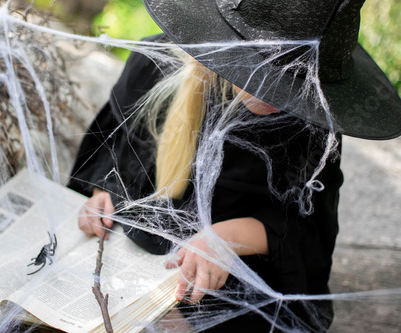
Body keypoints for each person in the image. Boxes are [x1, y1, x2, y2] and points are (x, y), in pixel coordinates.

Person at [68, 0, 401, 331]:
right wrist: (104, 193)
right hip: (130, 262)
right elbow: (115, 150)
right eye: (268, 73)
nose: (278, 96)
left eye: (296, 83)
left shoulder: (311, 118)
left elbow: (307, 230)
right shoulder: (153, 65)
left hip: (241, 287)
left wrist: (228, 238)